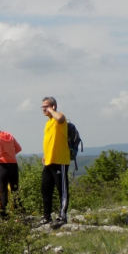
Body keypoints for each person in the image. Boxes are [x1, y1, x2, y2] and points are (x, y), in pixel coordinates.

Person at [40, 96, 70, 227]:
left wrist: (52, 111)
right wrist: (45, 155)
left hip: (60, 159)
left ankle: (62, 216)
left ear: (53, 106)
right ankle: (46, 216)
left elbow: (60, 118)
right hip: (49, 161)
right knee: (45, 189)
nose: (43, 109)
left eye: (46, 106)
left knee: (61, 189)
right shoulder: (48, 123)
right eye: (42, 107)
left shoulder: (59, 117)